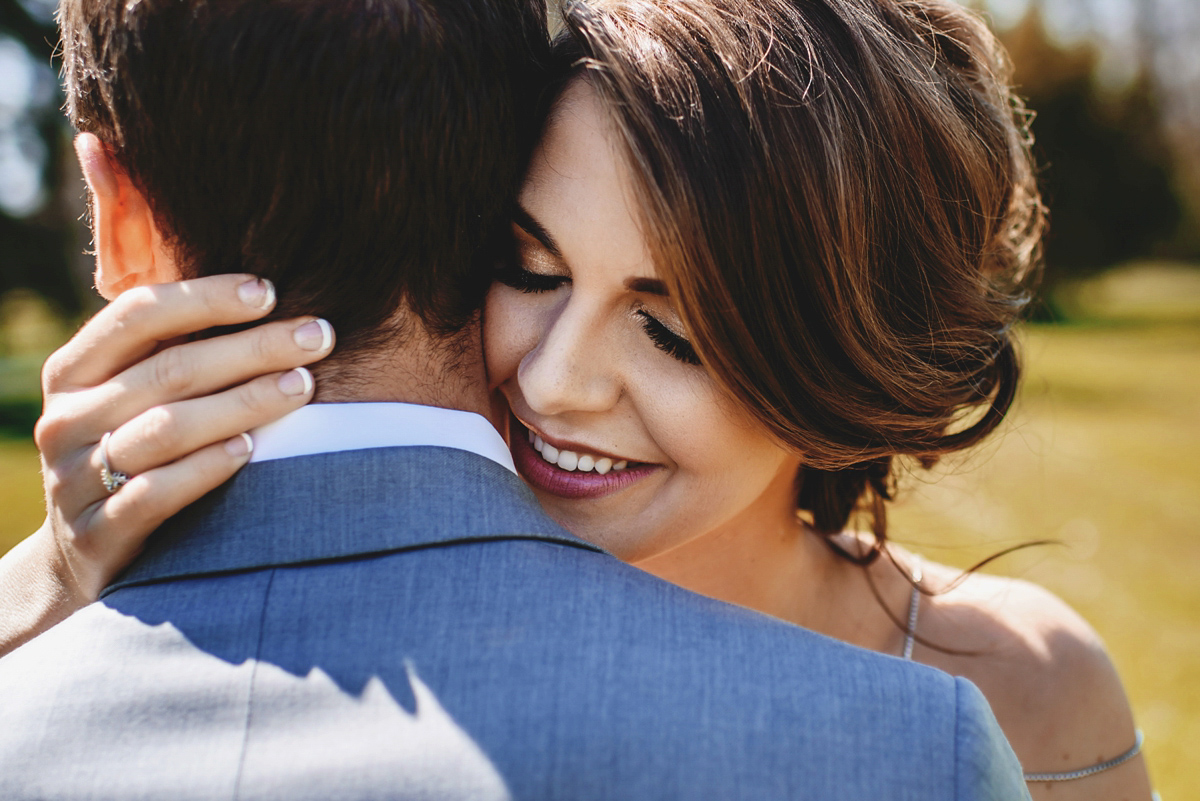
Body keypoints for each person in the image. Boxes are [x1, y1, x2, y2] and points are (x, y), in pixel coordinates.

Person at [0, 0, 1030, 798]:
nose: (550, 383)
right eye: (528, 267)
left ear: (837, 362)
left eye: (674, 331)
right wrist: (48, 575)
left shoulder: (979, 706)